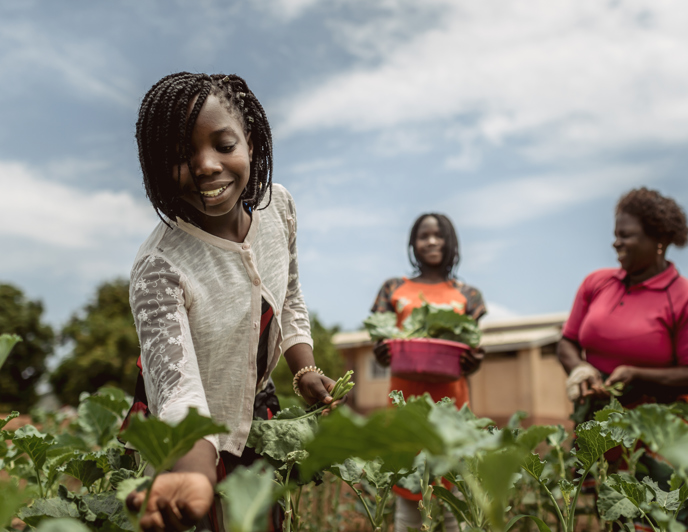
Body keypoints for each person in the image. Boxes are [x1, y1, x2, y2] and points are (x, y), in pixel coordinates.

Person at [123, 72, 342, 532]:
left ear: (252, 146)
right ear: (156, 167)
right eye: (182, 156)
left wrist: (302, 366)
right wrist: (194, 465)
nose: (206, 166)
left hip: (255, 410)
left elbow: (289, 294)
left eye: (224, 145)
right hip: (182, 432)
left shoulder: (277, 209)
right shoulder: (159, 266)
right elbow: (177, 388)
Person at [557, 187, 688, 529]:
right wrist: (581, 370)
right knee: (615, 515)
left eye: (625, 236)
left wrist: (635, 374)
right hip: (604, 423)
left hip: (660, 429)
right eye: (615, 235)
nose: (616, 243)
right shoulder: (597, 284)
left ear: (658, 239)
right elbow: (567, 342)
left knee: (658, 518)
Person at [371, 213, 486, 532]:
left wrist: (474, 360)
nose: (432, 241)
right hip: (406, 411)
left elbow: (472, 351)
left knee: (454, 506)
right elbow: (380, 343)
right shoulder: (392, 289)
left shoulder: (469, 295)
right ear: (412, 244)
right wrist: (380, 352)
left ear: (452, 243)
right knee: (409, 504)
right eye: (424, 236)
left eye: (439, 235)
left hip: (453, 411)